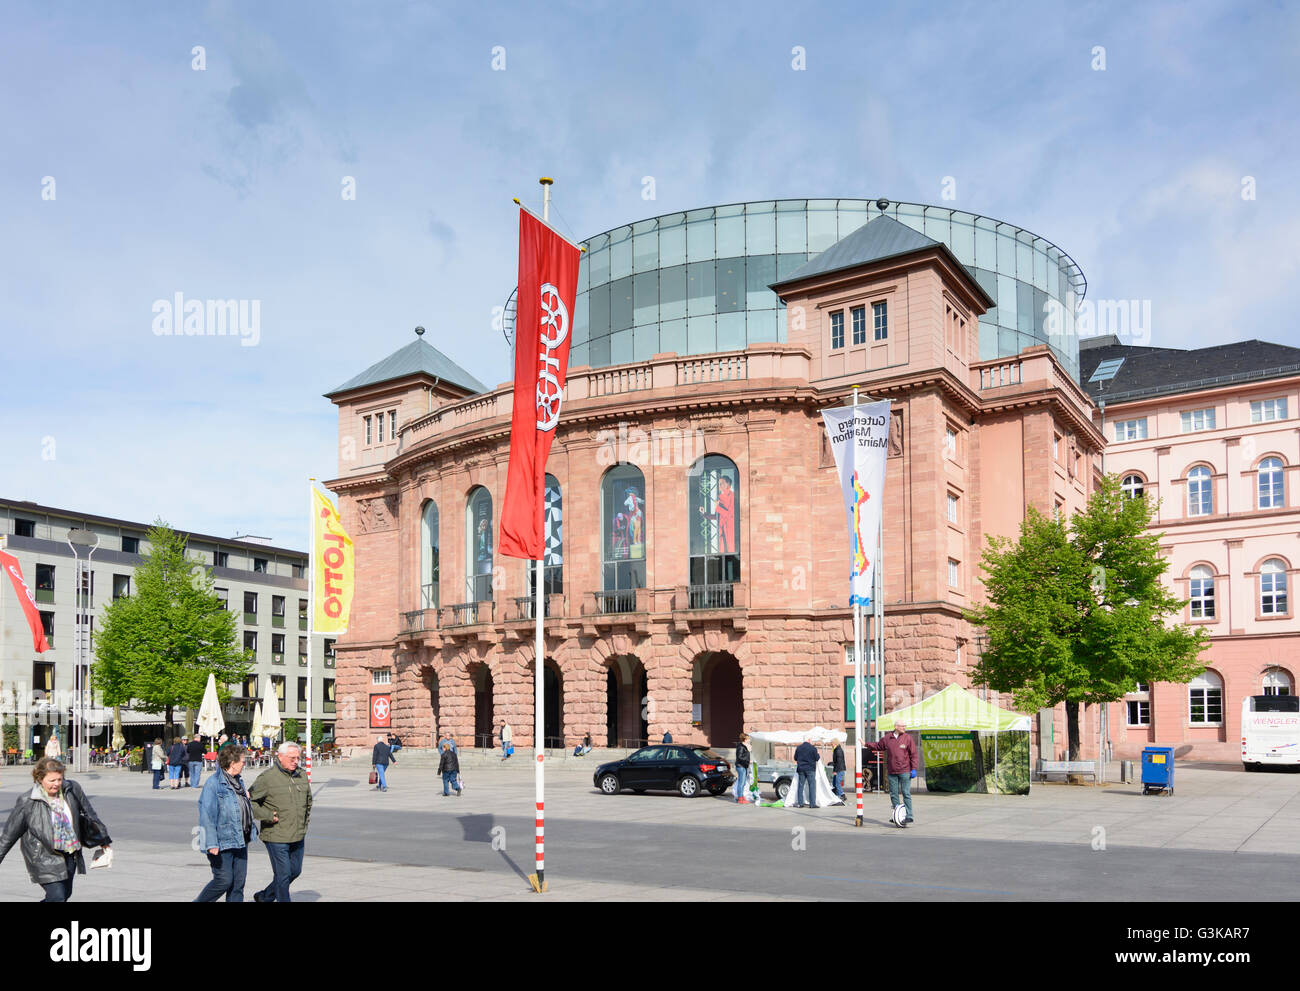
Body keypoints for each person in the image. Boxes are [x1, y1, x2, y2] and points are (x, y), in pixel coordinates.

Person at [0, 757, 111, 902]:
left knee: (64, 895)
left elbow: (90, 814)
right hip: (42, 856)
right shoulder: (28, 801)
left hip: (70, 852)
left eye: (59, 779)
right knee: (57, 896)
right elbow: (9, 835)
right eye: (52, 781)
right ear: (39, 779)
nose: (57, 784)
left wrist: (104, 840)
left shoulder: (72, 789)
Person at [249, 742, 312, 902]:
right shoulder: (267, 778)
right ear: (280, 756)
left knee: (295, 871)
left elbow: (308, 800)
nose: (296, 761)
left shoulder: (302, 775)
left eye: (298, 758)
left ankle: (265, 896)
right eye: (292, 758)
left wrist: (304, 822)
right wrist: (267, 815)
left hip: (297, 833)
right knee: (283, 875)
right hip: (276, 835)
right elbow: (249, 801)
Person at [195, 745, 256, 902]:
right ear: (232, 762)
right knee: (223, 880)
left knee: (238, 883)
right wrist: (211, 843)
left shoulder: (238, 781)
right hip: (222, 841)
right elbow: (207, 815)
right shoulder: (214, 783)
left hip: (241, 839)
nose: (244, 763)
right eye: (243, 761)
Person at [864, 720, 919, 825]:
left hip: (905, 770)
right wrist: (866, 744)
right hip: (892, 771)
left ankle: (909, 815)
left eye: (905, 726)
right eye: (902, 726)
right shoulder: (887, 738)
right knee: (893, 794)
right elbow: (878, 746)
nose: (904, 727)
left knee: (906, 793)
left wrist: (914, 768)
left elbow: (914, 754)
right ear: (896, 727)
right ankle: (897, 815)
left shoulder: (908, 738)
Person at [793, 737, 819, 808]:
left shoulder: (798, 748)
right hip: (810, 769)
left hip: (801, 769)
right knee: (812, 786)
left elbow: (795, 758)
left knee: (801, 786)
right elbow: (817, 758)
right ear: (809, 740)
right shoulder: (813, 748)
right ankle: (812, 804)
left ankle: (800, 803)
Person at [734, 733, 752, 803]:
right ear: (745, 739)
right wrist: (748, 760)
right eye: (748, 739)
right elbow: (739, 757)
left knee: (743, 783)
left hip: (744, 765)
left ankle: (742, 796)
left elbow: (745, 756)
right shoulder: (741, 747)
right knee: (741, 783)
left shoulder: (745, 746)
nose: (749, 740)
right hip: (740, 766)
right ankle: (740, 798)